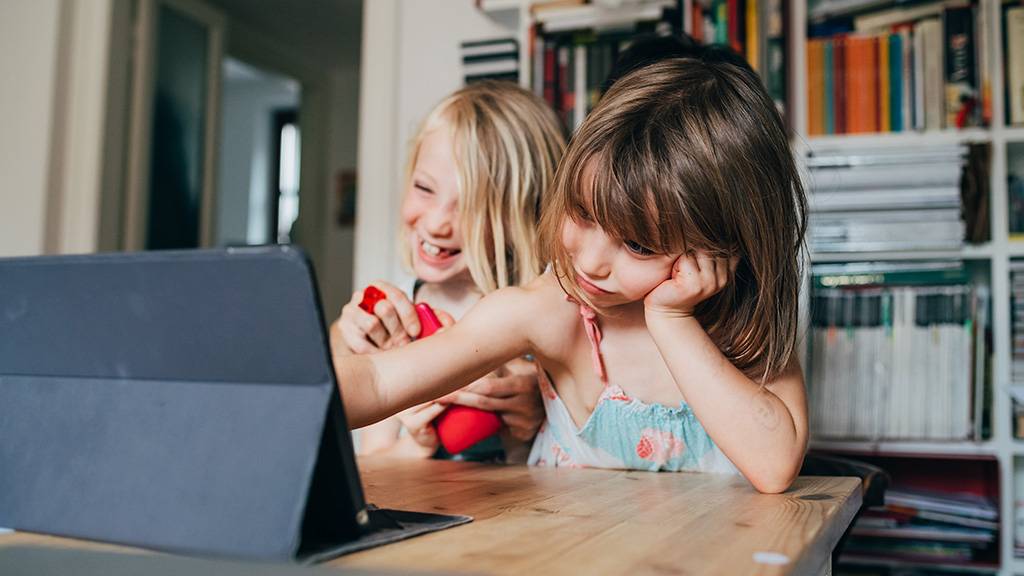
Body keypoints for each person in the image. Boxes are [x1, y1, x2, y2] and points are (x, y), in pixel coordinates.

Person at [335, 51, 808, 493]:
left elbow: (774, 466)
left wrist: (673, 321)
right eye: (581, 213)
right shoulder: (546, 309)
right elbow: (377, 381)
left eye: (638, 245)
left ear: (722, 246)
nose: (589, 262)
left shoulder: (739, 327)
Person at [332, 80, 566, 462]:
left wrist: (534, 424)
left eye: (471, 206)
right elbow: (374, 462)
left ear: (523, 215)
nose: (439, 223)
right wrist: (417, 444)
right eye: (424, 188)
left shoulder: (544, 314)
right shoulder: (395, 322)